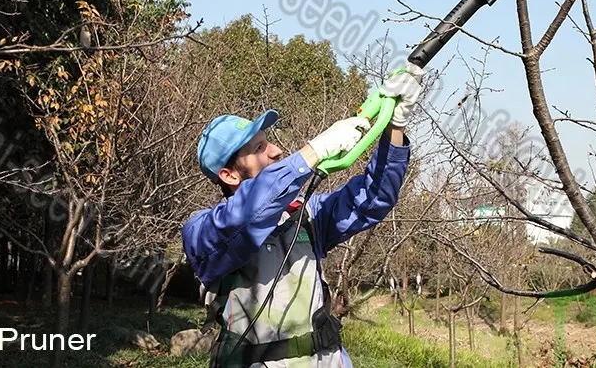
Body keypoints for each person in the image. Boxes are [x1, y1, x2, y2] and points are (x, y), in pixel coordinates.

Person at [181, 66, 423, 367]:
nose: (276, 150)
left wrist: (394, 126)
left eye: (269, 140)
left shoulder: (306, 214)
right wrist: (313, 152)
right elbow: (246, 214)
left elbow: (373, 199)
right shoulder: (202, 232)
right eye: (259, 148)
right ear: (229, 175)